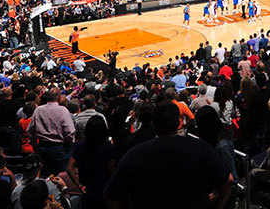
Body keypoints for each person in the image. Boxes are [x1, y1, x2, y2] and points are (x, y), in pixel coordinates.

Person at [103, 102, 233, 209]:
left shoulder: (134, 154)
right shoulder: (200, 147)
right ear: (178, 123)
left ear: (154, 123)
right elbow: (228, 180)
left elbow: (110, 196)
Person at [67, 115, 116, 209]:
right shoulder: (108, 148)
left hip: (86, 190)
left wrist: (79, 185)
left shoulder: (80, 146)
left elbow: (69, 168)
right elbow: (111, 170)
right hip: (102, 190)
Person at [27, 88, 76, 176]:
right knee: (59, 175)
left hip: (42, 147)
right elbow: (69, 131)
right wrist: (70, 144)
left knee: (44, 174)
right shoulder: (63, 110)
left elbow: (30, 130)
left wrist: (34, 145)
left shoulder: (38, 110)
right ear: (59, 98)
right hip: (59, 148)